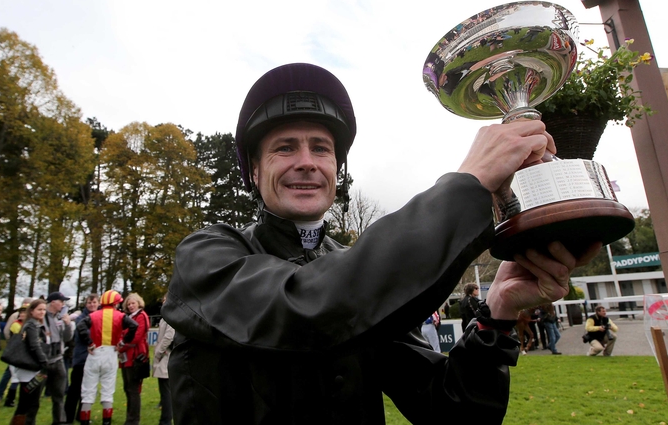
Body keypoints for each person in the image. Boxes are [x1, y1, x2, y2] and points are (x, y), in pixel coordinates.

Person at [162, 63, 600, 424]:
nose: (306, 163)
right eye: (284, 148)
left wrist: (499, 312)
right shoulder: (207, 255)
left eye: (321, 148)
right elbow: (310, 305)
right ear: (254, 172)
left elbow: (454, 411)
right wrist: (468, 186)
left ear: (337, 168)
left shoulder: (360, 277)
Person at [77, 290, 138, 425]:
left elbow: (80, 325)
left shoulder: (93, 315)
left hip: (95, 353)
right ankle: (107, 422)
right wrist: (123, 342)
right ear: (115, 303)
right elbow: (134, 326)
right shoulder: (121, 316)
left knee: (88, 390)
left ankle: (84, 421)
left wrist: (90, 342)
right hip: (111, 353)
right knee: (108, 390)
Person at [10, 299, 52, 425]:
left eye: (44, 309)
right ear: (32, 311)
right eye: (39, 309)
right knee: (27, 403)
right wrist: (45, 362)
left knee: (31, 402)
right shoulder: (32, 325)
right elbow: (35, 346)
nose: (42, 312)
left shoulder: (37, 325)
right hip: (29, 369)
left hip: (34, 368)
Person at [65, 293, 99, 422]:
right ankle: (68, 416)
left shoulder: (100, 316)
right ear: (86, 304)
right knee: (75, 389)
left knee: (89, 389)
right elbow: (83, 334)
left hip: (95, 358)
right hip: (81, 358)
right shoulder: (81, 318)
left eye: (94, 302)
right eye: (90, 303)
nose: (92, 305)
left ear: (98, 303)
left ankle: (82, 414)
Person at [120, 293, 150, 425]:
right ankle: (130, 417)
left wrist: (121, 346)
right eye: (129, 304)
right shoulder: (127, 317)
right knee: (127, 388)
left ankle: (133, 420)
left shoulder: (141, 316)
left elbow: (136, 337)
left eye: (133, 303)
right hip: (126, 357)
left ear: (139, 303)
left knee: (133, 389)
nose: (131, 306)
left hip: (135, 356)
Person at [44, 292, 73, 424]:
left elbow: (67, 339)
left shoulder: (60, 318)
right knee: (33, 398)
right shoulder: (42, 316)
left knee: (59, 396)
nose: (63, 304)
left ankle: (59, 421)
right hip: (42, 362)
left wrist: (68, 325)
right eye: (61, 301)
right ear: (52, 302)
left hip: (58, 359)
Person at [0, 301, 31, 407]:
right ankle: (9, 400)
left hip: (23, 354)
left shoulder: (28, 324)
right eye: (22, 312)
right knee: (14, 376)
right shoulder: (16, 324)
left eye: (25, 312)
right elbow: (19, 339)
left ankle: (16, 398)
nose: (23, 314)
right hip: (16, 354)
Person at [152, 295, 175, 425]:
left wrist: (158, 352)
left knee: (166, 392)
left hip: (165, 357)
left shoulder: (171, 317)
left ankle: (166, 420)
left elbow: (169, 336)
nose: (164, 302)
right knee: (164, 391)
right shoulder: (166, 317)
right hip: (164, 356)